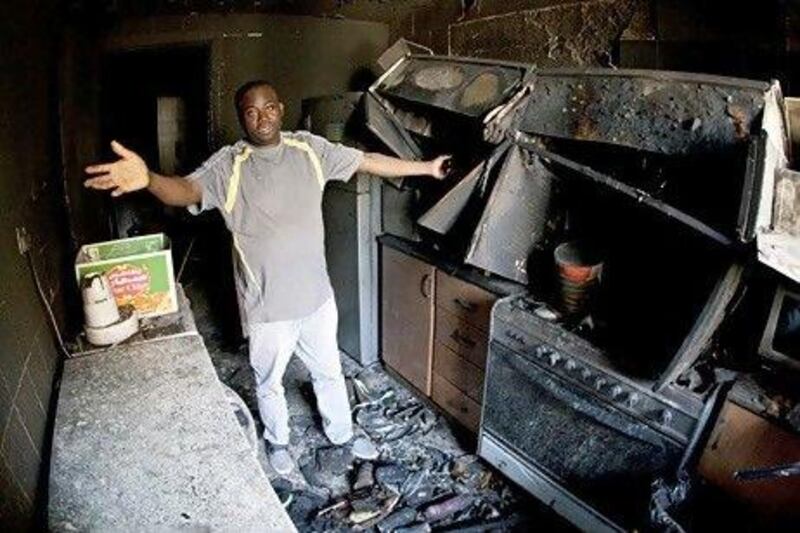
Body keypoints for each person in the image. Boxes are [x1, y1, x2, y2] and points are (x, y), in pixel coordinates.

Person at [84, 80, 449, 475]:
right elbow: (186, 189)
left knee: (329, 372)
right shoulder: (229, 165)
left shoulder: (309, 149)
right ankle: (278, 442)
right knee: (269, 382)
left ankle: (342, 434)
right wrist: (150, 180)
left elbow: (367, 160)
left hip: (317, 299)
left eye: (268, 108)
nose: (262, 119)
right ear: (241, 117)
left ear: (280, 107)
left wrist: (426, 168)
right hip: (268, 307)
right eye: (251, 112)